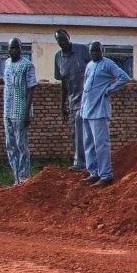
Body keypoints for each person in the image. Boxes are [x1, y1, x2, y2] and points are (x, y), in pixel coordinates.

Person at [79, 41, 131, 185]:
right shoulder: (89, 65)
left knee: (101, 144)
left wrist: (109, 90)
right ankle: (93, 172)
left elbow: (124, 78)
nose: (94, 54)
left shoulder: (108, 64)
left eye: (96, 51)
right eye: (92, 52)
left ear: (102, 51)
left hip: (100, 111)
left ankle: (105, 175)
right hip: (87, 110)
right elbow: (85, 88)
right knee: (88, 143)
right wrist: (82, 108)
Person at [0, 37, 37, 184]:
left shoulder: (27, 65)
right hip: (7, 111)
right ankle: (16, 179)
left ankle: (24, 178)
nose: (14, 50)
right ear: (8, 49)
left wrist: (27, 113)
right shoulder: (7, 63)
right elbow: (5, 81)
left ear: (21, 49)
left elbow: (31, 89)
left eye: (17, 48)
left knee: (21, 146)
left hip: (21, 112)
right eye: (12, 48)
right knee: (10, 146)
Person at [51, 28, 88, 169]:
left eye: (64, 39)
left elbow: (94, 69)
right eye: (59, 40)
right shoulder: (58, 58)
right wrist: (62, 105)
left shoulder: (83, 50)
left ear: (68, 37)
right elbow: (63, 83)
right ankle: (81, 162)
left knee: (83, 130)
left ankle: (82, 163)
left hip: (87, 98)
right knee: (75, 132)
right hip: (73, 100)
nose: (62, 42)